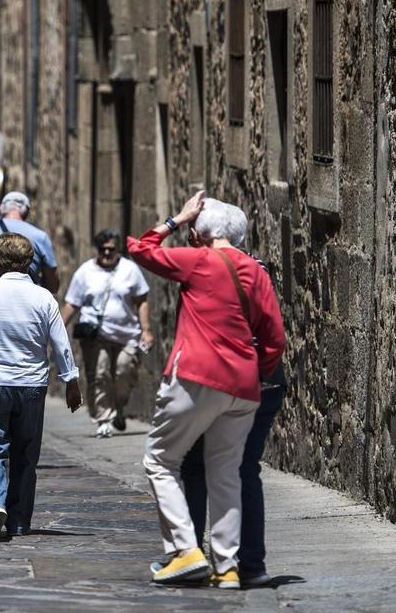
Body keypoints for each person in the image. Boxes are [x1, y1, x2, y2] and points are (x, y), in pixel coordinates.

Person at [127, 191, 285, 590]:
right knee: (227, 474)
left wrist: (176, 219)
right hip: (245, 387)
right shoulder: (256, 271)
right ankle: (227, 568)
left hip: (197, 376)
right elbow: (274, 340)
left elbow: (141, 249)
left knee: (160, 460)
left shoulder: (198, 260)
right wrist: (255, 371)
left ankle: (185, 550)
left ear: (201, 230)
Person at [0, 232, 81, 542]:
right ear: (30, 261)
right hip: (32, 386)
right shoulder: (43, 297)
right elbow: (61, 343)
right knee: (26, 454)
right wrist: (71, 381)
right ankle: (20, 521)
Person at [181, 253, 287, 587]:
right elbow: (274, 334)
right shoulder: (260, 271)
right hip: (264, 381)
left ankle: (190, 556)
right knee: (244, 469)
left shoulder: (202, 272)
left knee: (195, 466)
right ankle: (252, 565)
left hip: (217, 381)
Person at [62, 228, 154, 439]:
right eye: (102, 249)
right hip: (95, 335)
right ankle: (104, 419)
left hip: (127, 334)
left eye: (110, 249)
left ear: (118, 249)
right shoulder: (85, 272)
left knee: (124, 372)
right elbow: (72, 304)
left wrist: (146, 329)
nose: (106, 253)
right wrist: (55, 327)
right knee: (100, 375)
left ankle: (118, 409)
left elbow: (142, 301)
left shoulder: (130, 270)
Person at [0, 191, 59, 293]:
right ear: (26, 212)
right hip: (27, 299)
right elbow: (52, 285)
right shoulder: (41, 236)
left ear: (1, 208)